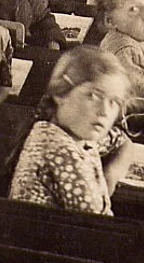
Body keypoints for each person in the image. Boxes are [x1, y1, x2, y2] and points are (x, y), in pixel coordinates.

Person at [8, 46, 133, 215]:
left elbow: (121, 140)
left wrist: (111, 174)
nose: (104, 111)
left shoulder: (68, 130)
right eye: (93, 96)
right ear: (61, 94)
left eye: (114, 102)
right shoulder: (61, 151)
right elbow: (97, 228)